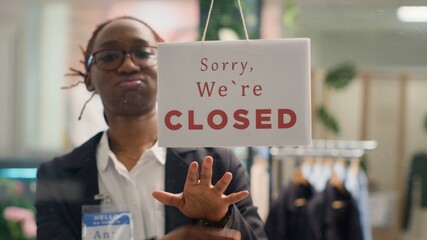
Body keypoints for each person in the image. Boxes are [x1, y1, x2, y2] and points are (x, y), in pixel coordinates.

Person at [35, 16, 267, 240]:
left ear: (166, 69)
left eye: (143, 53)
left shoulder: (218, 165)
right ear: (89, 79)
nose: (128, 65)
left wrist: (220, 217)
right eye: (109, 57)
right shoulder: (56, 177)